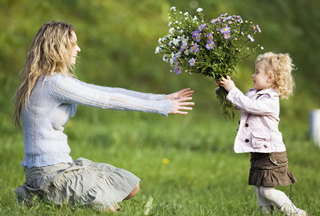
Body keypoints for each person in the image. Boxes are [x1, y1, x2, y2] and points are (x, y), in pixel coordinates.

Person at [13, 21, 194, 212]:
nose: (78, 49)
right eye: (73, 44)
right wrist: (161, 107)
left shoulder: (51, 80)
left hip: (64, 167)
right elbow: (108, 99)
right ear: (57, 48)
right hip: (49, 174)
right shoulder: (53, 84)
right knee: (109, 207)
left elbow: (107, 91)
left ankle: (44, 199)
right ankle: (41, 197)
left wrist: (160, 98)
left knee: (130, 185)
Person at [218, 52, 307, 216]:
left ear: (270, 78)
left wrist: (233, 89)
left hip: (271, 154)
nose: (253, 75)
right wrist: (224, 91)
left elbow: (249, 105)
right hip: (259, 152)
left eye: (257, 72)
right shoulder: (254, 93)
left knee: (267, 192)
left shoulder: (270, 100)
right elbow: (239, 104)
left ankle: (296, 213)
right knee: (259, 191)